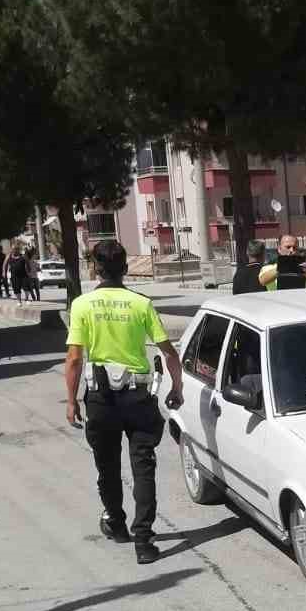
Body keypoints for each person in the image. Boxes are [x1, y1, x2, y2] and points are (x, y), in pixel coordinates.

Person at [64, 239, 183, 565]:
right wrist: (177, 386)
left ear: (96, 268)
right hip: (137, 397)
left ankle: (116, 523)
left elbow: (74, 358)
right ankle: (143, 542)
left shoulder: (82, 305)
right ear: (126, 269)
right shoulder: (140, 304)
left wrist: (72, 401)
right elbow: (168, 351)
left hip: (100, 399)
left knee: (108, 467)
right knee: (143, 468)